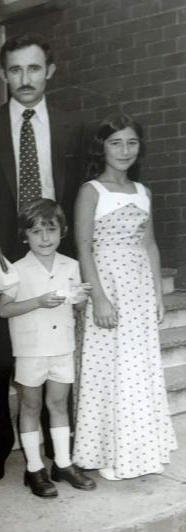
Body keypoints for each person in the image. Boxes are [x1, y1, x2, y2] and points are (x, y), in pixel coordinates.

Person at [0, 32, 85, 480]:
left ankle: (62, 455)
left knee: (59, 347)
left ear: (49, 71)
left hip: (56, 249)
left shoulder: (74, 125)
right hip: (1, 252)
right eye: (15, 69)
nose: (25, 78)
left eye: (34, 68)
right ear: (3, 75)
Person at [72, 114, 177, 480]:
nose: (124, 150)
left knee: (138, 368)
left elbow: (149, 245)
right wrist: (99, 298)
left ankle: (139, 450)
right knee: (108, 369)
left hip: (138, 289)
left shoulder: (143, 192)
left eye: (131, 142)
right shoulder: (91, 191)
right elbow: (84, 248)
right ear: (101, 147)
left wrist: (157, 295)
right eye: (115, 142)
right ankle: (108, 452)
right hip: (108, 283)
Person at [0, 198, 95, 496]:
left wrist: (80, 302)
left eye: (51, 230)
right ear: (25, 235)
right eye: (37, 231)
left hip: (62, 346)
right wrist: (39, 301)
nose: (44, 238)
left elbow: (77, 308)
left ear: (62, 232)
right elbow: (4, 309)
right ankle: (34, 469)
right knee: (30, 405)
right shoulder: (16, 269)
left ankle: (63, 463)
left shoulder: (72, 265)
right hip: (31, 348)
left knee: (57, 405)